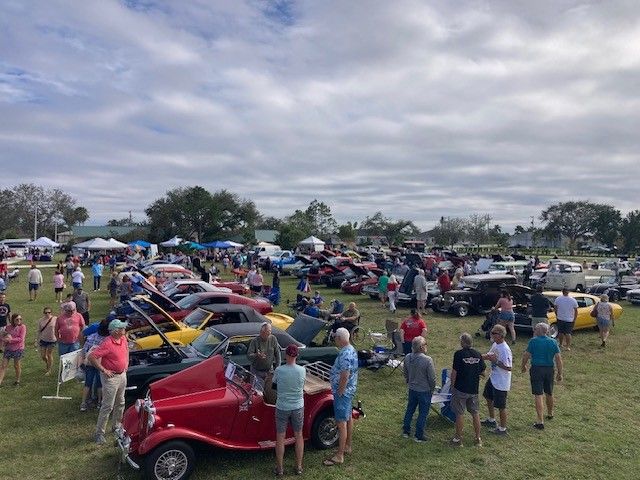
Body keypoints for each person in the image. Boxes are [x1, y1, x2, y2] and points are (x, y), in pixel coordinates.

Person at [88, 319, 129, 445]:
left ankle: (116, 426)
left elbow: (127, 351)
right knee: (107, 406)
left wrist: (126, 365)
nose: (124, 330)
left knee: (121, 402)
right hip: (111, 378)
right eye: (122, 328)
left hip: (122, 375)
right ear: (116, 331)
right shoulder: (107, 343)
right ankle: (99, 434)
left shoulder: (123, 339)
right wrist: (103, 370)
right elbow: (92, 357)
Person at [324, 328, 358, 466]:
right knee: (348, 417)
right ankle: (348, 446)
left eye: (335, 338)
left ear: (339, 338)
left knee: (341, 423)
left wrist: (340, 391)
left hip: (343, 392)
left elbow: (345, 374)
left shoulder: (344, 353)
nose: (335, 340)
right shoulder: (351, 349)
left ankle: (340, 455)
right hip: (350, 390)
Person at [272, 344, 306, 476]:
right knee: (299, 435)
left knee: (280, 436)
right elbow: (302, 385)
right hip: (297, 406)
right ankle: (298, 467)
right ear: (297, 355)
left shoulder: (279, 370)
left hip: (282, 406)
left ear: (286, 355)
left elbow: (274, 386)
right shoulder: (302, 370)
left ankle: (280, 468)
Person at [521, 323, 563, 430]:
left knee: (538, 394)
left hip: (536, 369)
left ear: (537, 331)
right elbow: (558, 359)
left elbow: (526, 355)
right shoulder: (553, 342)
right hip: (549, 369)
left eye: (535, 329)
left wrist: (524, 365)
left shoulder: (533, 341)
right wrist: (560, 373)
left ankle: (540, 421)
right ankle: (550, 413)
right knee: (549, 392)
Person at [450, 333, 486, 447]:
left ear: (462, 342)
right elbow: (483, 372)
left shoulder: (458, 354)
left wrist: (452, 386)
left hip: (461, 388)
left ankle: (458, 439)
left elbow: (454, 372)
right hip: (473, 389)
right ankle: (477, 438)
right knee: (475, 413)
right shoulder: (478, 354)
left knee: (460, 413)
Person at [402, 336, 436, 442]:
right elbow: (432, 378)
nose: (426, 346)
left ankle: (406, 431)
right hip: (424, 390)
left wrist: (408, 379)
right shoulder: (427, 360)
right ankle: (419, 435)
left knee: (410, 409)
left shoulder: (408, 357)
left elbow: (405, 371)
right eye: (425, 344)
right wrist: (432, 388)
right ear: (421, 347)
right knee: (423, 413)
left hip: (412, 388)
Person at [481, 324, 512, 435]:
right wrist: (476, 356)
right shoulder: (495, 344)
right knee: (488, 397)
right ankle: (491, 420)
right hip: (493, 378)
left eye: (494, 333)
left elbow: (509, 367)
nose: (491, 334)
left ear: (500, 335)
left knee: (501, 406)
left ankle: (503, 428)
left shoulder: (505, 349)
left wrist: (496, 362)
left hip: (501, 382)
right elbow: (489, 355)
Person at [80, 317, 110, 412]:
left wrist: (83, 360)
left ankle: (83, 403)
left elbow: (84, 350)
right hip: (100, 363)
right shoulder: (107, 340)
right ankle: (100, 402)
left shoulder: (91, 336)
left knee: (87, 383)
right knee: (99, 384)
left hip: (89, 363)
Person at [0, 313, 27, 386]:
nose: (19, 321)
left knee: (16, 365)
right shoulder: (8, 327)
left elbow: (21, 339)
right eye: (17, 319)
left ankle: (17, 380)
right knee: (3, 365)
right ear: (13, 320)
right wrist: (3, 340)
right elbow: (2, 336)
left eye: (20, 319)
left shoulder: (22, 327)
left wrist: (10, 340)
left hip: (18, 348)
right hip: (8, 348)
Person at [35, 307, 57, 375]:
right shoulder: (41, 320)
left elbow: (59, 328)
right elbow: (39, 331)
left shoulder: (55, 319)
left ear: (51, 313)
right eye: (46, 313)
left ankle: (49, 370)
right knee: (43, 356)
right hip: (43, 339)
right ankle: (48, 363)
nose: (47, 314)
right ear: (43, 313)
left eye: (49, 312)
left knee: (49, 354)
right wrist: (36, 340)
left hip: (52, 340)